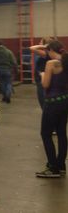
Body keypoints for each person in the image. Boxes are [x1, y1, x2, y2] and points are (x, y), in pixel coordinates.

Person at [36, 40, 68, 178]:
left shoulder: (51, 64)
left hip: (52, 103)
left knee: (46, 134)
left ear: (50, 51)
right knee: (61, 133)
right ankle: (61, 165)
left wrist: (43, 75)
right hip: (64, 101)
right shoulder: (66, 62)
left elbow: (45, 84)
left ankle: (52, 167)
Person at [30, 37, 54, 109]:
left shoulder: (45, 53)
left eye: (41, 42)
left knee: (43, 102)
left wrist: (44, 46)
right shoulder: (48, 54)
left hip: (42, 80)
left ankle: (47, 117)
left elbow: (32, 48)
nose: (39, 43)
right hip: (42, 79)